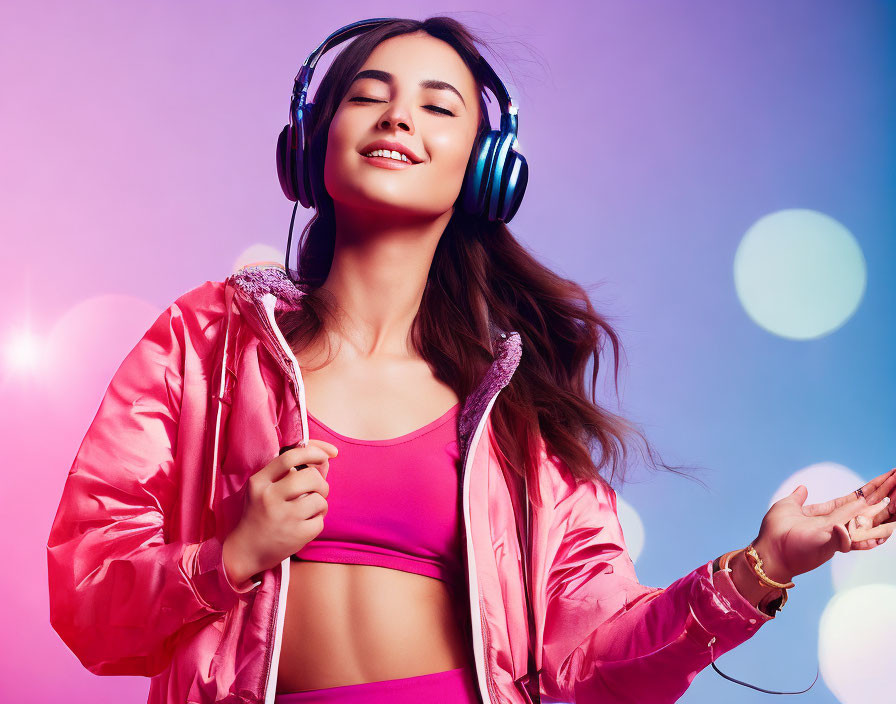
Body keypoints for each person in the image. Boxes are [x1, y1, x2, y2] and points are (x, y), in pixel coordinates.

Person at [47, 16, 896, 704]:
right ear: (313, 142)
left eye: (438, 107)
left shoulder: (513, 418)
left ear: (485, 172)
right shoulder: (202, 347)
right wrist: (229, 556)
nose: (397, 117)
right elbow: (87, 602)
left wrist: (764, 568)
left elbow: (595, 663)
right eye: (368, 97)